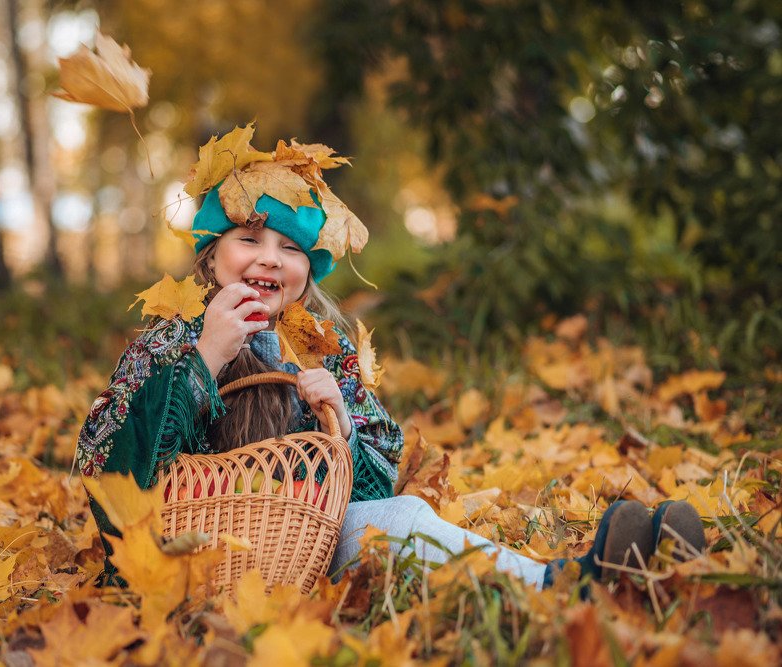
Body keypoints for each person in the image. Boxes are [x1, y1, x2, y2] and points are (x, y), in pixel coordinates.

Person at [76, 150, 706, 591]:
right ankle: (573, 583)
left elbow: (378, 477)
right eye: (250, 237)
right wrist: (205, 359)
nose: (271, 258)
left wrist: (342, 429)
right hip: (197, 553)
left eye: (293, 248)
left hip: (305, 544)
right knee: (401, 525)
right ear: (211, 258)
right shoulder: (171, 338)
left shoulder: (321, 347)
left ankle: (601, 573)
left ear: (308, 272)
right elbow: (110, 477)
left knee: (399, 520)